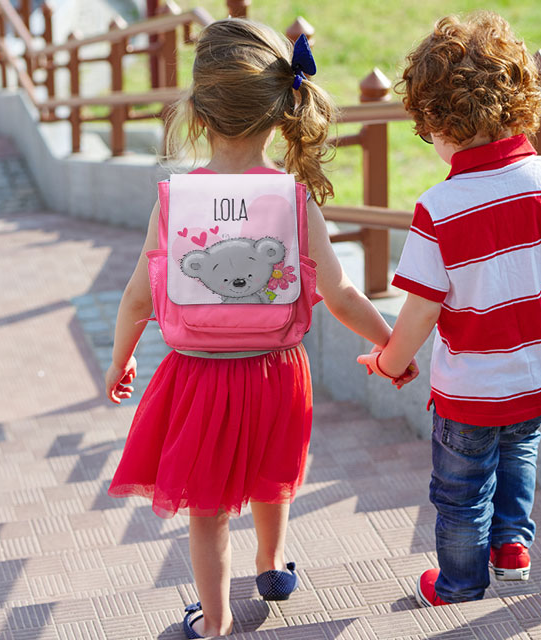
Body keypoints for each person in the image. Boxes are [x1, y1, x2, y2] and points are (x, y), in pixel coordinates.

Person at [104, 19, 415, 638]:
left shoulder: (174, 201)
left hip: (197, 375)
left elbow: (139, 298)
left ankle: (215, 621)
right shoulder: (294, 201)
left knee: (208, 507)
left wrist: (122, 359)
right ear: (281, 112)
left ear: (195, 115)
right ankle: (272, 565)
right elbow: (342, 294)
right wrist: (391, 345)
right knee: (276, 470)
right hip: (277, 372)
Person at [358, 11, 541, 606]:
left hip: (472, 390)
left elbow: (421, 312)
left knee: (460, 491)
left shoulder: (440, 208)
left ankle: (460, 584)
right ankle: (511, 547)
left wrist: (389, 361)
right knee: (519, 452)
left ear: (437, 120)